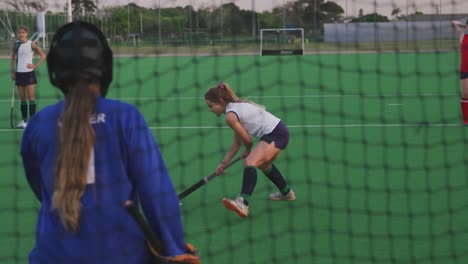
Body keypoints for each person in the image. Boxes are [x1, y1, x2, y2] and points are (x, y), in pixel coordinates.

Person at [20, 22, 200, 264]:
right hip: (122, 254)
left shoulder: (39, 123)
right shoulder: (124, 117)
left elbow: (40, 186)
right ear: (104, 66)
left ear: (55, 70)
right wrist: (174, 247)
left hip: (52, 254)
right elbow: (156, 192)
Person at [204, 82, 296, 218]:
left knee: (250, 162)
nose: (210, 110)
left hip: (276, 133)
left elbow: (248, 141)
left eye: (211, 106)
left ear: (220, 101)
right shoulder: (234, 110)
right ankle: (286, 192)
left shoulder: (231, 116)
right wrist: (223, 164)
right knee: (264, 164)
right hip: (278, 131)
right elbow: (237, 142)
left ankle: (243, 203)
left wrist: (247, 150)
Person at [10, 25, 46, 129]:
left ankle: (33, 121)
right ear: (18, 34)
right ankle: (24, 120)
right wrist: (13, 73)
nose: (21, 34)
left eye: (23, 32)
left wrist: (35, 65)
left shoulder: (31, 44)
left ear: (26, 34)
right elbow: (12, 59)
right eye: (19, 32)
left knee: (31, 97)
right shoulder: (16, 45)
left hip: (29, 73)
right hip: (19, 74)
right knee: (22, 99)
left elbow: (43, 55)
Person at [452, 18, 468, 125]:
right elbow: (454, 22)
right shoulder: (463, 36)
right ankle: (466, 119)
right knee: (466, 94)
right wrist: (463, 26)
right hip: (465, 70)